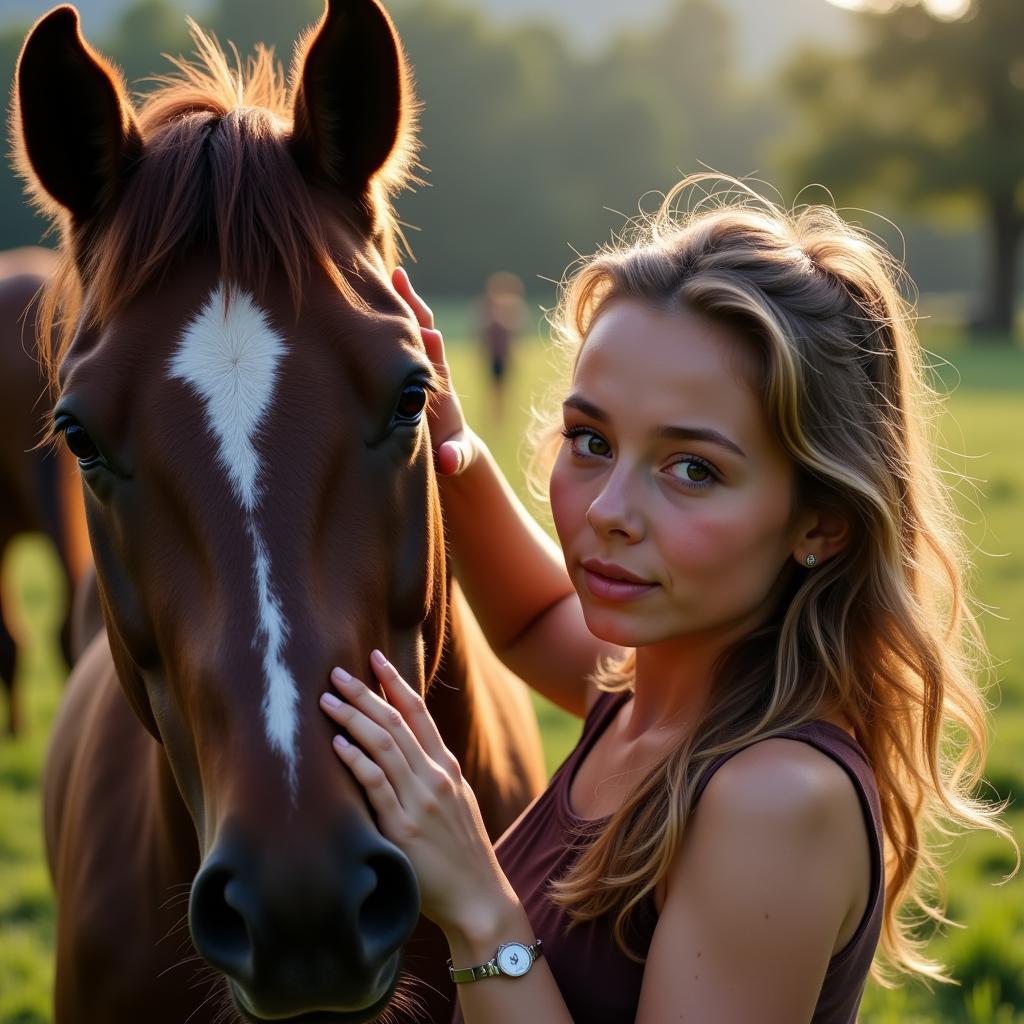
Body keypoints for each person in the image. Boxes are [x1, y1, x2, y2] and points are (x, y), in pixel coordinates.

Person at [318, 175, 1017, 1023]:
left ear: (821, 524)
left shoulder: (775, 800)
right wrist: (444, 436)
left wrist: (475, 903)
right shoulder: (648, 694)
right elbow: (534, 618)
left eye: (693, 469)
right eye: (590, 440)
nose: (608, 512)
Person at [476, 271, 526, 421]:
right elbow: (482, 335)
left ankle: (499, 415)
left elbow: (514, 334)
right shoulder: (488, 313)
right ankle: (494, 415)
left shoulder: (508, 311)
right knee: (494, 389)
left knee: (502, 389)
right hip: (494, 357)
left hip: (503, 357)